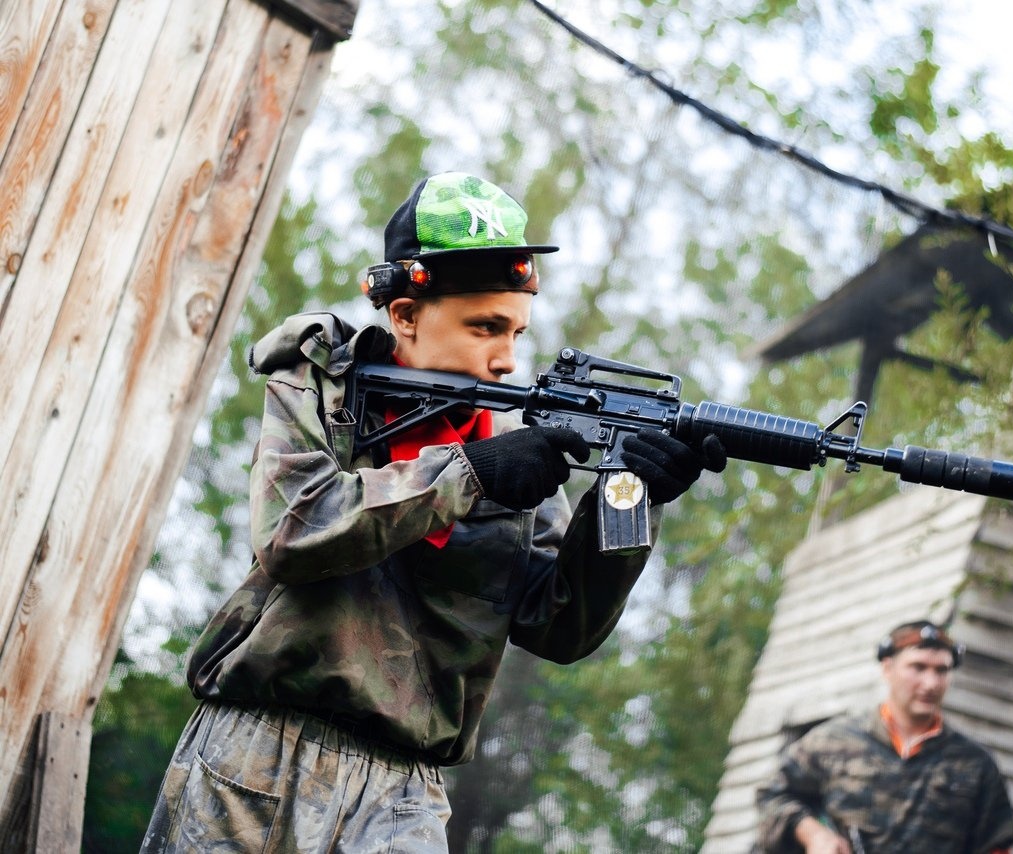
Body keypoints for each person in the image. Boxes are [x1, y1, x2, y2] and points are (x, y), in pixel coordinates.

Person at [141, 171, 725, 852]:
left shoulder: (512, 444)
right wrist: (468, 476)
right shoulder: (324, 388)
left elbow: (559, 623)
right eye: (485, 328)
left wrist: (631, 497)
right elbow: (294, 530)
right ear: (405, 313)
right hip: (260, 754)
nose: (507, 360)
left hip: (404, 794)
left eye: (516, 332)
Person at [756, 620, 1013, 854]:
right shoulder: (833, 741)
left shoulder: (975, 764)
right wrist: (814, 835)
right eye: (918, 667)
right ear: (888, 668)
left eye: (941, 671)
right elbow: (773, 795)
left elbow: (995, 845)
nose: (930, 683)